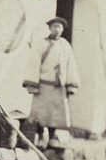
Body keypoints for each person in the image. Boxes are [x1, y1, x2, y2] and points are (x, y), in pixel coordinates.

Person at [22, 17, 80, 148]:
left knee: (55, 115)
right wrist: (33, 84)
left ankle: (52, 139)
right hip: (43, 86)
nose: (56, 29)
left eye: (59, 27)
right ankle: (40, 138)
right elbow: (34, 63)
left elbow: (71, 65)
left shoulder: (65, 45)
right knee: (40, 114)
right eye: (54, 26)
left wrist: (71, 85)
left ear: (63, 30)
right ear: (49, 28)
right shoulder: (41, 44)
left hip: (58, 87)